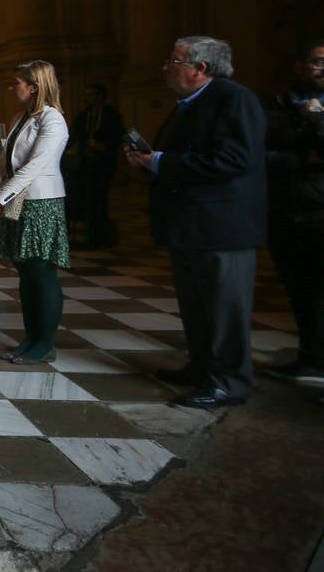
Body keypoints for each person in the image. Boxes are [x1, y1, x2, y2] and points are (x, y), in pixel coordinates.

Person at [125, 36, 266, 408]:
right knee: (198, 306)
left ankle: (229, 381)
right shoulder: (189, 104)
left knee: (224, 310)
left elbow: (235, 160)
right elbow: (179, 160)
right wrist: (149, 163)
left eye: (173, 61)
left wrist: (158, 162)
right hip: (191, 226)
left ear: (200, 69)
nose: (165, 68)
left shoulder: (234, 99)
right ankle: (202, 366)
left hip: (221, 227)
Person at [0, 60, 70, 365]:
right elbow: (3, 162)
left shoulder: (52, 119)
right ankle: (31, 337)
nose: (11, 87)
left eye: (16, 82)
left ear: (34, 86)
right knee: (25, 272)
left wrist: (1, 195)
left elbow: (35, 166)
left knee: (41, 272)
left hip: (41, 202)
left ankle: (44, 343)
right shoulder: (21, 117)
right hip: (18, 200)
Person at [263, 40, 324, 388]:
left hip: (320, 210)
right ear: (300, 66)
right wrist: (305, 153)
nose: (320, 69)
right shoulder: (280, 103)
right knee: (299, 290)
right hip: (287, 208)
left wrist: (314, 122)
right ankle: (310, 357)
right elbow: (263, 152)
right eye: (315, 62)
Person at [64, 84, 124, 249]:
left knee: (100, 200)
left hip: (103, 164)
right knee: (86, 198)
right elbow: (72, 136)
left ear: (100, 96)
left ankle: (98, 236)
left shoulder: (112, 115)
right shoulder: (84, 115)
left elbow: (119, 136)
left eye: (91, 95)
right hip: (85, 164)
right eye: (86, 95)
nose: (87, 98)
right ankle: (90, 235)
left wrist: (104, 146)